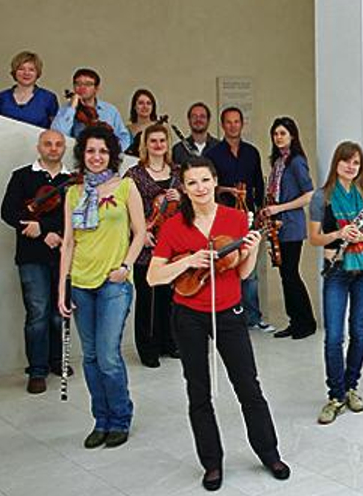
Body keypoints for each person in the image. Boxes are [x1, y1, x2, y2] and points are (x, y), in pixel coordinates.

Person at [147, 157, 290, 491]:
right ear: (183, 187)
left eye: (205, 181)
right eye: (192, 183)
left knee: (248, 386)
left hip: (229, 312)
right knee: (198, 391)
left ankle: (269, 453)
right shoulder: (173, 225)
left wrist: (252, 250)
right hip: (188, 315)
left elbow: (241, 273)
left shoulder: (237, 218)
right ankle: (211, 463)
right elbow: (154, 276)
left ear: (215, 181)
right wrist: (189, 263)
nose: (199, 188)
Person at [57, 124, 146, 449]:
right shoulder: (73, 193)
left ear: (112, 154)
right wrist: (61, 289)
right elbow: (68, 243)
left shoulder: (126, 187)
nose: (96, 157)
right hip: (80, 282)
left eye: (102, 151)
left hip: (114, 283)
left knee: (108, 355)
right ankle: (101, 420)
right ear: (83, 154)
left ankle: (120, 418)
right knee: (91, 357)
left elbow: (141, 233)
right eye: (91, 151)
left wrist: (125, 266)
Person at [308, 142, 363, 425]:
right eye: (345, 161)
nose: (351, 167)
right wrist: (339, 233)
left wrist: (360, 237)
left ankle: (351, 387)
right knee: (333, 337)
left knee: (359, 332)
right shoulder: (321, 197)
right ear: (336, 163)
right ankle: (335, 395)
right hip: (336, 268)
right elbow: (314, 238)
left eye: (356, 162)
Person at [0, 130, 70, 393]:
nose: (53, 148)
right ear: (39, 147)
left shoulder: (71, 180)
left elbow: (73, 215)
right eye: (48, 144)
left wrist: (52, 231)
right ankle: (37, 370)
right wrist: (41, 230)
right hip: (31, 256)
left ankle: (55, 361)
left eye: (58, 144)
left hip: (63, 253)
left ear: (64, 148)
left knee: (58, 312)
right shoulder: (22, 176)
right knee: (38, 313)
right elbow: (8, 212)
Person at [205, 107, 272, 332]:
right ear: (222, 125)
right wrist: (227, 190)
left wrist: (261, 208)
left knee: (250, 268)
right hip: (223, 216)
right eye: (228, 122)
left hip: (248, 216)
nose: (233, 126)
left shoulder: (251, 152)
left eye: (237, 122)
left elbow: (259, 185)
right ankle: (227, 315)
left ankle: (253, 317)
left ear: (242, 124)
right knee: (225, 265)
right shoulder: (213, 154)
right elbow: (209, 185)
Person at [124, 123, 181, 367]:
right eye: (153, 141)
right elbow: (123, 208)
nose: (158, 145)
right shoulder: (134, 174)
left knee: (170, 296)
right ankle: (148, 348)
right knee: (147, 298)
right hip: (146, 242)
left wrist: (182, 197)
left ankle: (170, 342)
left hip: (173, 244)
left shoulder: (178, 173)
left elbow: (189, 206)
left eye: (162, 141)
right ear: (145, 145)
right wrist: (139, 233)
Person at [259, 117, 316, 340]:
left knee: (291, 274)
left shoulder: (296, 161)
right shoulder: (278, 162)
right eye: (276, 134)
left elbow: (309, 194)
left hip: (291, 225)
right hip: (278, 226)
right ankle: (295, 320)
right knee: (285, 274)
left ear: (292, 135)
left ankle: (306, 322)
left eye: (283, 133)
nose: (279, 137)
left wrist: (279, 208)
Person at [51, 68, 132, 151]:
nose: (82, 88)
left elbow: (124, 137)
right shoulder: (66, 110)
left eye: (88, 84)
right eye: (78, 84)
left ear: (96, 89)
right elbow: (57, 134)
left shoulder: (110, 110)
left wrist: (113, 152)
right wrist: (72, 108)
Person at [0, 51, 58, 128]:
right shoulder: (2, 97)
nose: (26, 73)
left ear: (37, 73)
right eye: (21, 69)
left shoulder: (48, 98)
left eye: (31, 70)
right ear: (14, 72)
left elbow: (55, 129)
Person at [125, 89, 160, 158]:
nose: (145, 106)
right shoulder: (126, 129)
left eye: (148, 103)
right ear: (134, 106)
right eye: (141, 103)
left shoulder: (159, 128)